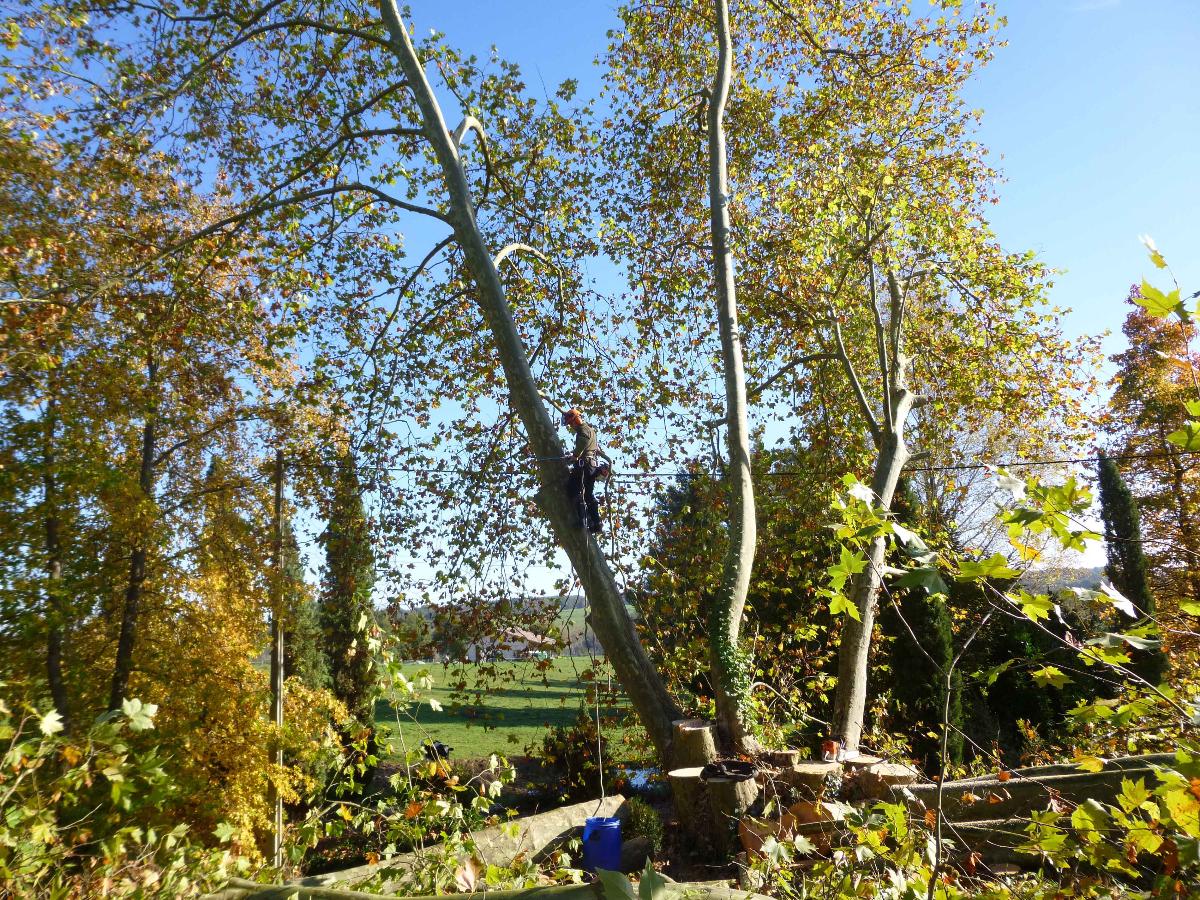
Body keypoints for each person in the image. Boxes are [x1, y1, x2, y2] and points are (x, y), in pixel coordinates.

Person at [561, 407, 609, 533]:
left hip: (584, 466)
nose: (571, 426)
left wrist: (575, 455)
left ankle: (583, 519)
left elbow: (583, 442)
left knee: (572, 490)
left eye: (571, 423)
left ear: (576, 419)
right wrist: (573, 455)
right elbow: (590, 447)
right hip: (591, 466)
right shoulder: (591, 430)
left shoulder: (583, 430)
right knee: (588, 494)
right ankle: (596, 523)